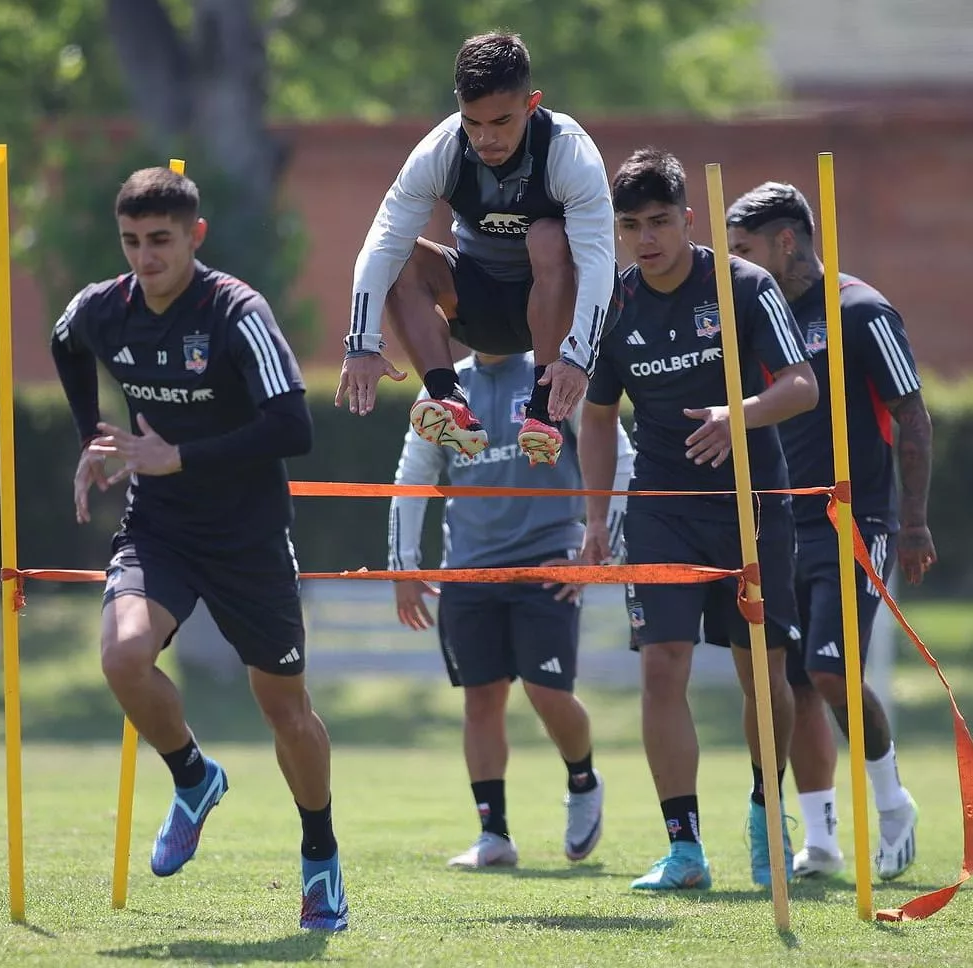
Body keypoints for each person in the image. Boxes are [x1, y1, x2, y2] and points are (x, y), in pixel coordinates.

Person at [50, 167, 348, 931]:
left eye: (160, 241)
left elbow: (294, 429)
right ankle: (194, 777)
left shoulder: (235, 311)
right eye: (131, 243)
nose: (144, 259)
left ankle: (320, 859)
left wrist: (181, 454)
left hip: (248, 537)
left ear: (194, 237)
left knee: (285, 710)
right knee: (122, 657)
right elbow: (64, 338)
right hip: (161, 530)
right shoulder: (106, 308)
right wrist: (93, 432)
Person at [579, 148, 819, 891]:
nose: (645, 238)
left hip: (750, 507)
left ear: (687, 219)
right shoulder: (610, 302)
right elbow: (594, 417)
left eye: (658, 222)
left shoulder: (743, 286)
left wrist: (734, 414)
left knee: (762, 671)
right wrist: (596, 518)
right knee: (661, 666)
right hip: (659, 510)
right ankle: (683, 847)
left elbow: (802, 387)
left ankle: (762, 807)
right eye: (629, 226)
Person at [727, 182, 932, 880]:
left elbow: (911, 413)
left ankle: (892, 800)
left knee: (827, 668)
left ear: (787, 241)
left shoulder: (860, 310)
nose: (739, 266)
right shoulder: (756, 314)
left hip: (856, 517)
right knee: (791, 682)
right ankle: (819, 838)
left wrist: (912, 523)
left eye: (746, 250)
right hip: (781, 519)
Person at [388, 350, 634, 867]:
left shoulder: (555, 372)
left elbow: (616, 451)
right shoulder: (444, 385)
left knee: (548, 692)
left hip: (548, 563)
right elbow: (412, 479)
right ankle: (493, 834)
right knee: (480, 701)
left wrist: (599, 546)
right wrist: (404, 567)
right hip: (469, 571)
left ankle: (584, 781)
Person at [336, 31, 622, 469]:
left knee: (547, 234)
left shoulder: (568, 151)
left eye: (501, 122)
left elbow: (598, 261)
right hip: (477, 309)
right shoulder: (442, 150)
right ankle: (447, 400)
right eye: (473, 122)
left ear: (532, 103)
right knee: (404, 255)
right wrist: (361, 344)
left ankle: (542, 411)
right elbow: (381, 241)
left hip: (554, 310)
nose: (485, 139)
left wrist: (578, 358)